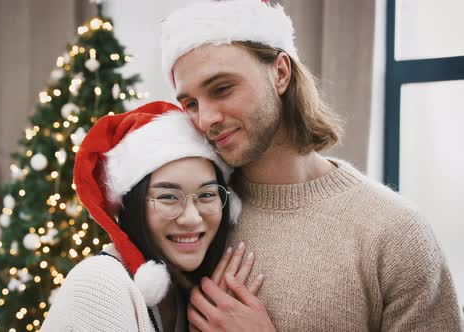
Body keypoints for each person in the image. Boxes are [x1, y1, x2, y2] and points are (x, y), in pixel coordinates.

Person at [161, 1, 462, 331]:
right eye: (190, 103)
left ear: (280, 73)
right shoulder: (194, 221)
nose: (205, 120)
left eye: (222, 88)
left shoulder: (395, 232)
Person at [41, 101, 263, 331]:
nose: (192, 218)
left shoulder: (182, 289)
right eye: (168, 197)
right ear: (133, 205)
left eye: (206, 195)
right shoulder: (100, 285)